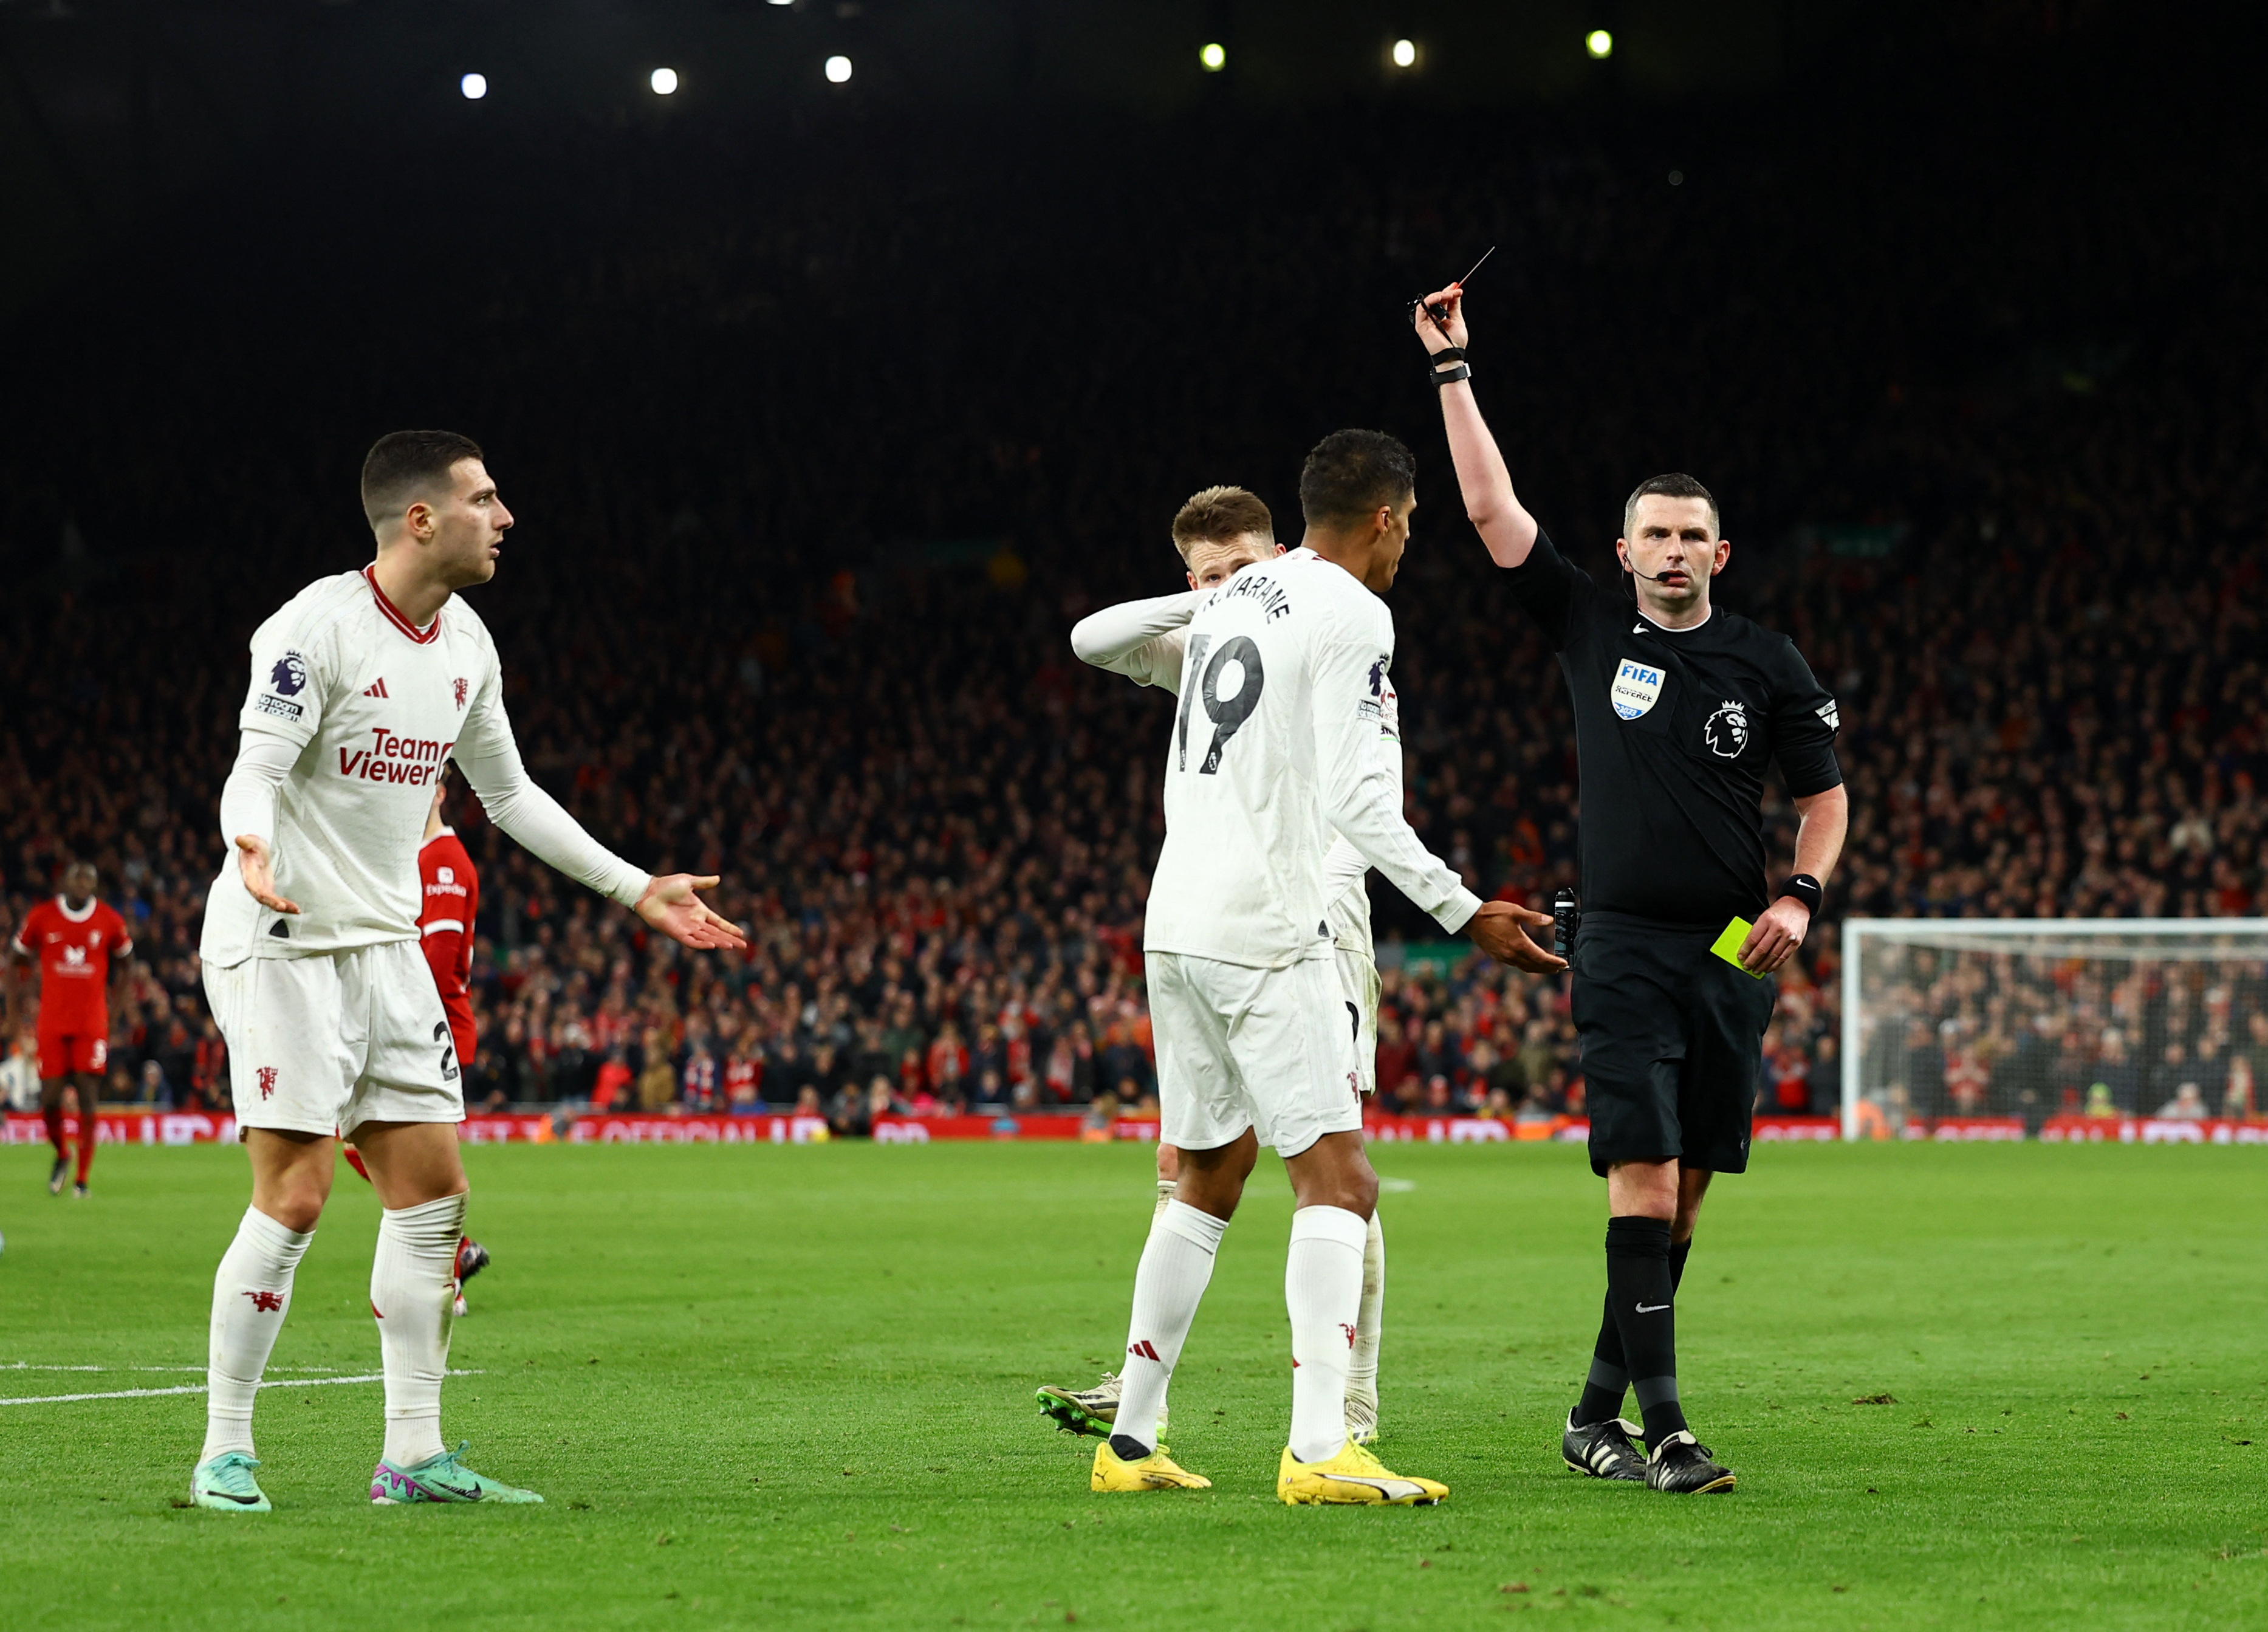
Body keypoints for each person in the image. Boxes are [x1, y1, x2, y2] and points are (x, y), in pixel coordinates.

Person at [189, 430, 745, 1515]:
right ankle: (224, 1450)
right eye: (485, 498)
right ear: (420, 519)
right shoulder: (316, 627)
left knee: (433, 1196)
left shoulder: (467, 642)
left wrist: (636, 887)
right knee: (295, 1199)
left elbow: (511, 794)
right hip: (286, 942)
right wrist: (248, 842)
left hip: (387, 949)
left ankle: (412, 1456)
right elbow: (252, 767)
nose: (506, 516)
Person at [1414, 283, 1848, 1494]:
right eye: (1648, 535)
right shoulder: (1590, 627)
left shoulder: (1767, 662)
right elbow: (1492, 509)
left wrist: (1801, 894)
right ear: (1623, 553)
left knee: (1687, 1198)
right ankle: (1667, 1431)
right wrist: (1454, 371)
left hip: (1725, 953)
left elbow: (1826, 796)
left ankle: (1591, 1415)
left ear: (1717, 552)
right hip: (1615, 944)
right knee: (1645, 1177)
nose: (1667, 551)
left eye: (1685, 536)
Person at [1080, 431, 1563, 1504]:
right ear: (1387, 518)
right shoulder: (1354, 612)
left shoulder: (1230, 602)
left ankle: (1128, 1442)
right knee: (1338, 1179)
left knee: (1203, 1181)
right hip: (1269, 929)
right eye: (1410, 528)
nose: (1406, 548)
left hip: (1174, 924)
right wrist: (1462, 908)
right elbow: (1357, 803)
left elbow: (1095, 639)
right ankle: (1317, 1449)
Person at [1042, 483, 1396, 1449]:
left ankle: (1351, 1402)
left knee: (1333, 1165)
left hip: (1314, 918)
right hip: (1221, 921)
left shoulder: (1328, 630)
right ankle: (1143, 1390)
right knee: (1201, 1162)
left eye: (1246, 566)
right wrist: (1224, 600)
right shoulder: (1201, 641)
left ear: (1281, 550)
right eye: (1207, 575)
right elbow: (1091, 635)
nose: (1228, 587)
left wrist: (1259, 591)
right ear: (1187, 583)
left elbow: (1368, 789)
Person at [9, 861, 133, 1197]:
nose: (82, 884)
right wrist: (12, 1012)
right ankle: (63, 1154)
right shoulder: (42, 917)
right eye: (77, 878)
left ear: (95, 885)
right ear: (64, 881)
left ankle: (82, 1180)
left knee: (88, 1100)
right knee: (49, 1101)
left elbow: (127, 965)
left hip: (91, 1025)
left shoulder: (109, 920)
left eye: (89, 879)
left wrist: (115, 1013)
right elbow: (14, 960)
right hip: (52, 1023)